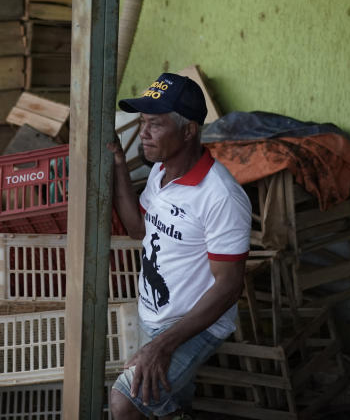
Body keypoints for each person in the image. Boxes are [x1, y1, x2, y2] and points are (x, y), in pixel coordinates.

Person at [107, 72, 252, 419]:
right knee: (169, 404)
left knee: (124, 403)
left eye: (155, 125)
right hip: (155, 315)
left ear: (188, 131)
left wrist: (162, 344)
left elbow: (230, 287)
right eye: (142, 122)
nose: (143, 133)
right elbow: (137, 228)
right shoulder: (160, 172)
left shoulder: (221, 196)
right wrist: (118, 168)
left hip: (194, 325)